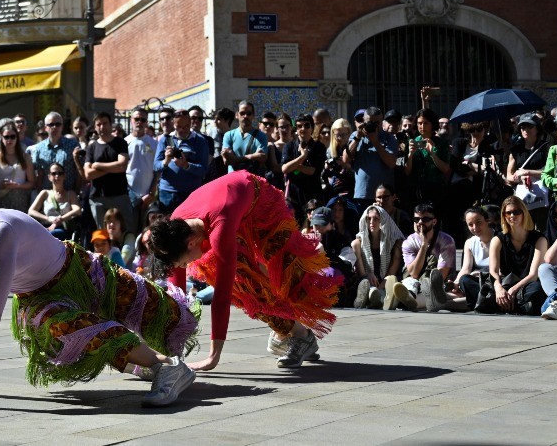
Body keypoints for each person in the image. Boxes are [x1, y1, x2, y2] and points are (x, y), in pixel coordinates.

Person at [0, 209, 200, 407]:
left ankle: (161, 363)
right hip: (39, 300)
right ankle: (164, 368)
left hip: (79, 272)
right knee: (74, 332)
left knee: (165, 314)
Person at [149, 170, 340, 370]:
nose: (183, 268)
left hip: (259, 204)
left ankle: (298, 335)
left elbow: (222, 297)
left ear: (190, 244)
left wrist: (213, 357)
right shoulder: (176, 230)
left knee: (280, 273)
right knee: (242, 286)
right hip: (228, 210)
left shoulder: (219, 229)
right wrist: (168, 347)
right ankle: (294, 332)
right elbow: (177, 296)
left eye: (182, 264)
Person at [383, 203, 455, 312]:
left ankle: (398, 300)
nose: (420, 222)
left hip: (437, 287)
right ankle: (406, 298)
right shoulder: (408, 242)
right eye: (416, 219)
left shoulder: (446, 241)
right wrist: (423, 246)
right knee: (410, 281)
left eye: (425, 219)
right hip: (414, 282)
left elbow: (440, 276)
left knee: (425, 283)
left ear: (434, 222)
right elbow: (413, 272)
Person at [486, 196, 547, 315]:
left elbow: (533, 275)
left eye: (516, 212)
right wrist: (499, 288)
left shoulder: (539, 239)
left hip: (527, 285)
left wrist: (513, 290)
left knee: (537, 290)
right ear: (504, 216)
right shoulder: (498, 239)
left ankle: (502, 304)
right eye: (508, 213)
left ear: (524, 213)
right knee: (466, 281)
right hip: (505, 283)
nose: (512, 216)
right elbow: (493, 271)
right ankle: (514, 304)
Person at [83, 112, 134, 233]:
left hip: (119, 195)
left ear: (110, 125)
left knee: (126, 232)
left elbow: (122, 166)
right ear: (95, 127)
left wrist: (98, 165)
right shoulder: (92, 147)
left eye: (105, 123)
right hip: (98, 198)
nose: (102, 127)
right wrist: (112, 167)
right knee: (103, 235)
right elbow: (88, 174)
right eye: (98, 124)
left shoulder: (120, 143)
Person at [350, 204, 405, 309]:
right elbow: (362, 276)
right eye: (368, 218)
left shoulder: (393, 242)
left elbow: (393, 269)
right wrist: (368, 275)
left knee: (388, 286)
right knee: (368, 288)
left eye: (376, 219)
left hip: (386, 282)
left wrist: (380, 286)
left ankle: (375, 298)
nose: (371, 222)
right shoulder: (357, 244)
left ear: (383, 220)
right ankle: (371, 297)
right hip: (367, 282)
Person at [344, 107, 398, 210]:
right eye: (370, 122)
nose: (373, 125)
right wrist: (357, 138)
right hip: (363, 194)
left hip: (384, 197)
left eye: (376, 123)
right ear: (364, 122)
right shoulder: (356, 135)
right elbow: (346, 159)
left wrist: (375, 142)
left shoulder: (389, 137)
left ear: (382, 122)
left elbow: (391, 163)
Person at [156, 108, 211, 210]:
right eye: (179, 127)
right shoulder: (165, 139)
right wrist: (166, 161)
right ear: (173, 124)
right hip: (167, 193)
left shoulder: (200, 141)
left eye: (186, 126)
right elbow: (156, 166)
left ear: (190, 123)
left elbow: (203, 170)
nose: (183, 130)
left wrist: (186, 165)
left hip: (190, 193)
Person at [0, 119, 34, 212]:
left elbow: (31, 183)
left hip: (20, 199)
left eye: (12, 136)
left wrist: (17, 185)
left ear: (17, 138)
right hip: (0, 199)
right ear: (1, 138)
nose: (9, 140)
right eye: (6, 137)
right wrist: (0, 184)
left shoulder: (26, 157)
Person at [449, 206, 495, 309]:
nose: (475, 227)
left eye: (478, 222)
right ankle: (443, 297)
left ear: (487, 220)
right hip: (478, 282)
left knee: (467, 284)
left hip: (495, 281)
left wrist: (481, 274)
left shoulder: (498, 238)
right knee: (464, 280)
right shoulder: (470, 243)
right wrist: (456, 282)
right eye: (470, 224)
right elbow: (466, 268)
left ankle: (445, 302)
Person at [404, 109, 451, 211]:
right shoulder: (412, 142)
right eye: (419, 123)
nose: (422, 126)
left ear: (432, 124)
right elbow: (407, 171)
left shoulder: (441, 143)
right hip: (416, 189)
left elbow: (446, 169)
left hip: (435, 189)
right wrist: (410, 154)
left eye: (426, 123)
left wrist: (432, 154)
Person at [27, 163, 83, 240]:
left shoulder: (70, 194)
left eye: (60, 173)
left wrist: (61, 218)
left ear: (64, 176)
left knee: (52, 234)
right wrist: (48, 218)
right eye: (53, 173)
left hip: (63, 229)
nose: (57, 176)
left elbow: (77, 210)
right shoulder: (45, 193)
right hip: (46, 227)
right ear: (49, 177)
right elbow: (31, 211)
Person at [29, 112, 80, 194]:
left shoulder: (73, 144)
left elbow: (79, 171)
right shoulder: (39, 148)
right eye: (51, 124)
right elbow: (39, 176)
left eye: (58, 124)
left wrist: (76, 193)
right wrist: (41, 197)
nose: (55, 127)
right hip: (48, 198)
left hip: (69, 196)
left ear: (62, 126)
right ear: (45, 128)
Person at [125, 108, 157, 219]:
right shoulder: (124, 143)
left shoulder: (154, 143)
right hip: (128, 196)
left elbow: (157, 171)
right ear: (131, 120)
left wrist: (151, 194)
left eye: (143, 120)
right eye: (137, 119)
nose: (139, 122)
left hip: (149, 197)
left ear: (146, 122)